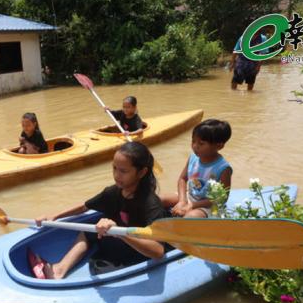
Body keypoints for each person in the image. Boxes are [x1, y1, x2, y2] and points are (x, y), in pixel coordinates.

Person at [30, 142, 168, 279]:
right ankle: (59, 270)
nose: (116, 175)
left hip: (136, 250)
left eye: (123, 171)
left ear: (142, 172)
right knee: (88, 231)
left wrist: (120, 233)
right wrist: (54, 216)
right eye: (114, 168)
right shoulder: (113, 192)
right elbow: (84, 206)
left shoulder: (151, 203)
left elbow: (158, 251)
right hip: (118, 239)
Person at [161, 119, 232, 218]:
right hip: (190, 196)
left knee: (190, 217)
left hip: (208, 206)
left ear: (219, 145)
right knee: (159, 199)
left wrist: (192, 206)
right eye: (193, 141)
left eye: (201, 143)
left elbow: (221, 198)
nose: (195, 146)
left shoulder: (223, 168)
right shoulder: (193, 158)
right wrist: (182, 201)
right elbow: (182, 179)